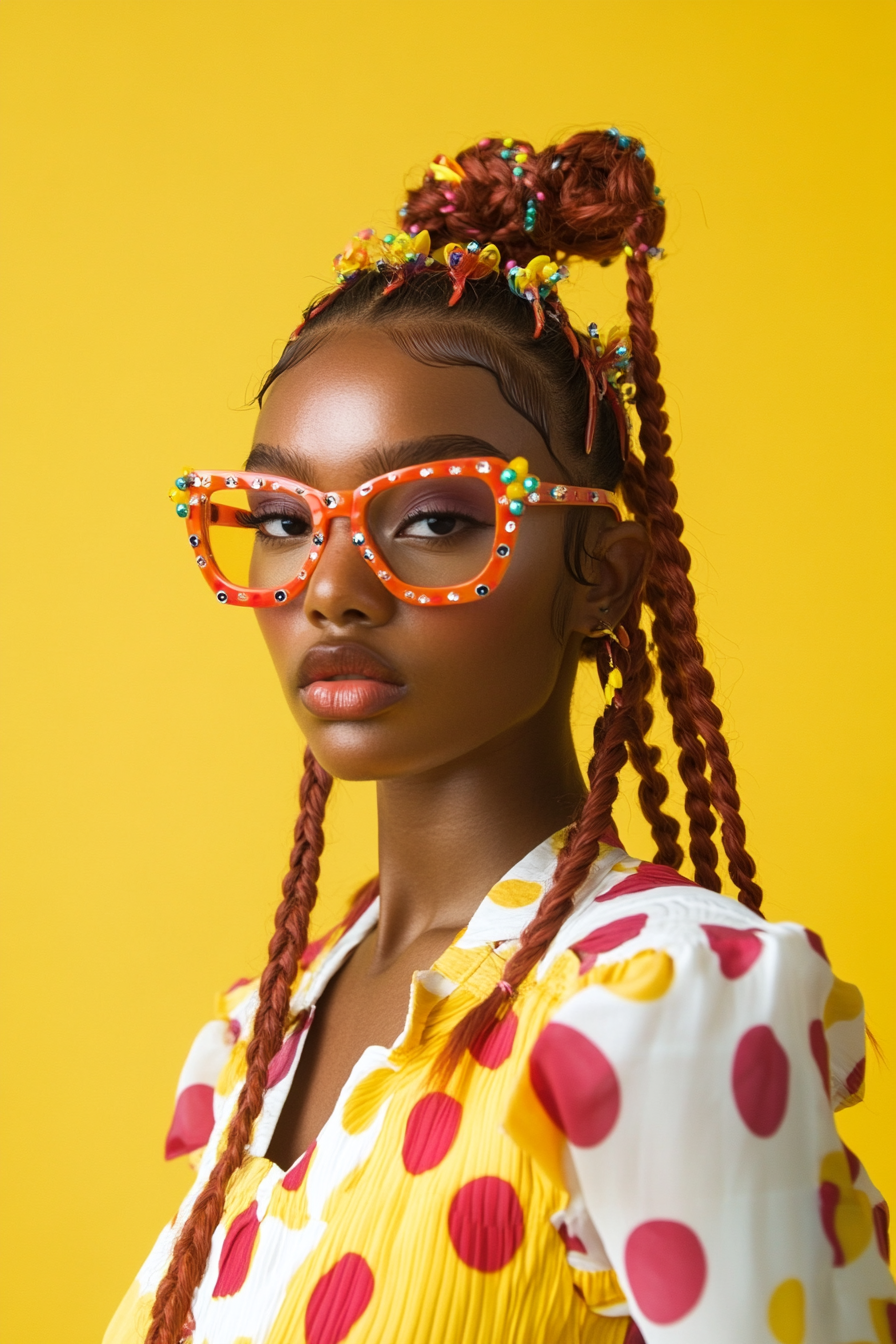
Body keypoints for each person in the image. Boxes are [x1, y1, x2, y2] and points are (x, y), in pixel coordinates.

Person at [104, 130, 895, 1344]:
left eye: (429, 518)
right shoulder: (268, 1025)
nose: (330, 587)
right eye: (279, 518)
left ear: (605, 577)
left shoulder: (659, 998)